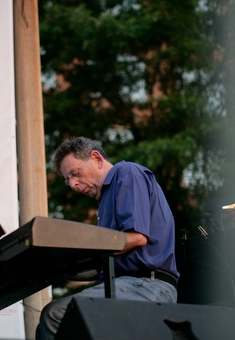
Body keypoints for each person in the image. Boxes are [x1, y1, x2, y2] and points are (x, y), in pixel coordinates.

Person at [36, 136, 179, 339]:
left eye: (75, 174)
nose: (74, 184)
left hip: (148, 286)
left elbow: (137, 237)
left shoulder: (126, 173)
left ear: (96, 158)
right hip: (129, 285)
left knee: (55, 315)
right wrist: (60, 269)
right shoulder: (105, 199)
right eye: (68, 180)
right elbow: (106, 260)